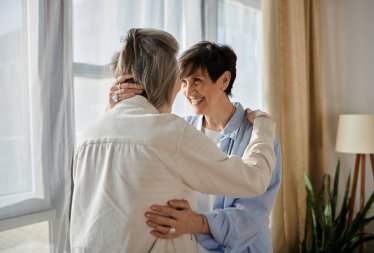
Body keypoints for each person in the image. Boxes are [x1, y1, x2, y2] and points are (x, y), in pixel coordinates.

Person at [70, 28, 276, 253]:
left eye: (196, 80)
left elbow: (253, 213)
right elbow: (253, 178)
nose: (184, 90)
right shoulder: (176, 132)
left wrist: (197, 223)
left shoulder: (88, 137)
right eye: (182, 81)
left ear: (224, 80)